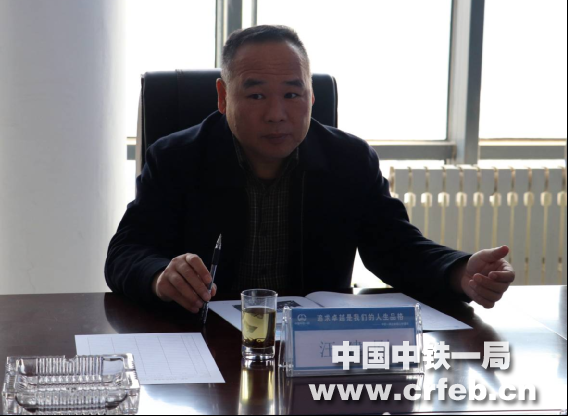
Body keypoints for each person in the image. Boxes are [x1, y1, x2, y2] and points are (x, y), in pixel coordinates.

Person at [105, 25, 515, 314]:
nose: (276, 114)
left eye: (292, 94)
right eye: (256, 95)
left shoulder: (349, 160)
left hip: (313, 351)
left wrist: (460, 272)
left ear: (312, 96)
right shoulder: (177, 158)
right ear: (223, 96)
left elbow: (396, 248)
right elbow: (126, 251)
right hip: (206, 343)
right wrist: (161, 276)